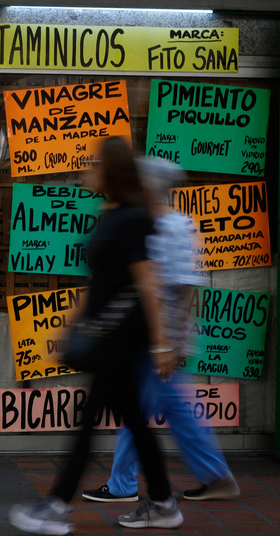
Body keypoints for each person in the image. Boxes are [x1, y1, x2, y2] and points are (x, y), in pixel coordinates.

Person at [8, 137, 183, 536]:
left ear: (111, 171)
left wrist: (161, 343)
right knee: (134, 422)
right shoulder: (110, 214)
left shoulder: (133, 219)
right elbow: (98, 280)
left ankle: (55, 505)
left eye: (93, 164)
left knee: (89, 422)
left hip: (123, 336)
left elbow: (148, 283)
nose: (86, 171)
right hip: (107, 334)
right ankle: (162, 501)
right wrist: (71, 324)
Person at [81, 156, 239, 505]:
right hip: (147, 333)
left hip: (158, 337)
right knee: (171, 407)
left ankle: (123, 484)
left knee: (139, 407)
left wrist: (170, 340)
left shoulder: (175, 225)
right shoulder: (144, 220)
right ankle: (215, 476)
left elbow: (184, 286)